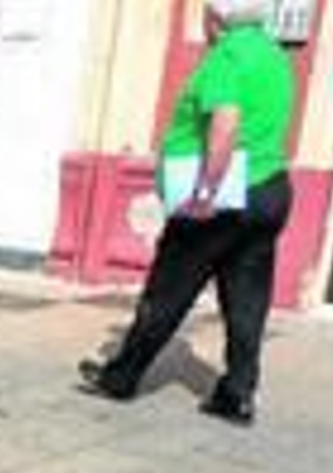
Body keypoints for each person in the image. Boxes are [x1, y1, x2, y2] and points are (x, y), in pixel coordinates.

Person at [80, 0, 295, 427]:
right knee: (247, 299)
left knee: (169, 289)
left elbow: (225, 122)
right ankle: (238, 394)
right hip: (269, 189)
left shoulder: (228, 56)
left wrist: (206, 191)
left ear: (216, 18)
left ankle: (121, 377)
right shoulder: (275, 55)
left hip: (222, 194)